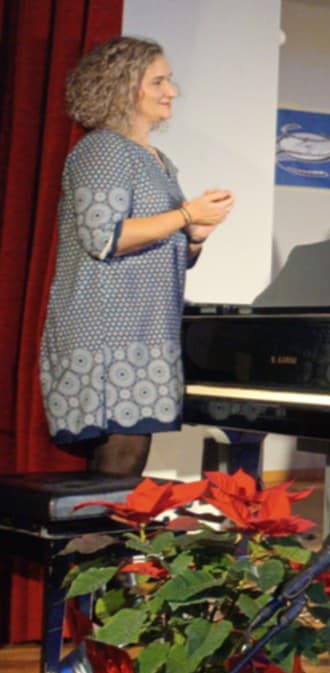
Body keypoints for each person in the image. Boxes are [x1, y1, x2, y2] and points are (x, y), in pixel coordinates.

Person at [39, 37, 234, 475]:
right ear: (122, 87)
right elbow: (103, 237)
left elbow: (167, 251)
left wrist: (195, 236)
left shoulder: (159, 160)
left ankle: (105, 523)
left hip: (147, 330)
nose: (172, 91)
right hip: (106, 329)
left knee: (127, 461)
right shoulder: (104, 149)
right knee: (119, 461)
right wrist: (185, 214)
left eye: (169, 80)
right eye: (158, 81)